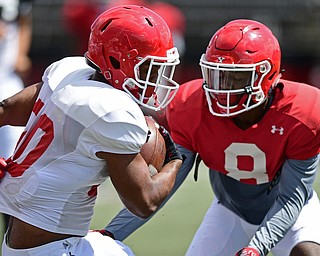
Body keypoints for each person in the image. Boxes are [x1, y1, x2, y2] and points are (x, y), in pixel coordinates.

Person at [102, 19, 320, 256]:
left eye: (236, 78)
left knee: (308, 252)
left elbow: (290, 199)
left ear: (265, 75)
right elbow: (161, 188)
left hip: (291, 213)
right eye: (217, 75)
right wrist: (110, 234)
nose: (221, 89)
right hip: (229, 212)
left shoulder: (304, 113)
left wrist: (256, 249)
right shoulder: (191, 107)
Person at [0, 5, 183, 256]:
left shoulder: (69, 73)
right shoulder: (113, 111)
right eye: (148, 68)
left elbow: (7, 109)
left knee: (114, 248)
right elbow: (144, 203)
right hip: (52, 250)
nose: (155, 78)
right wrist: (175, 160)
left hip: (18, 243)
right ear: (117, 60)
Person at [0, 0, 33, 236]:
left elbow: (23, 18)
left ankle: (11, 238)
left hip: (6, 82)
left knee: (13, 165)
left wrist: (21, 53)